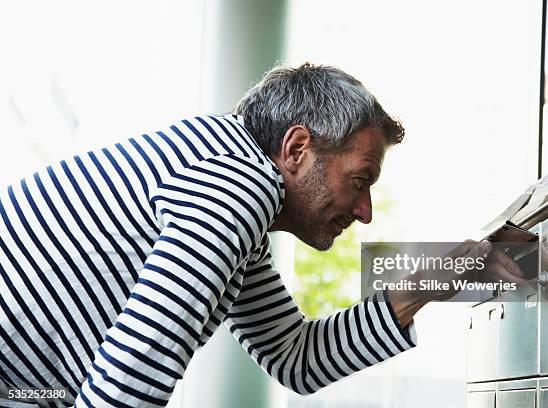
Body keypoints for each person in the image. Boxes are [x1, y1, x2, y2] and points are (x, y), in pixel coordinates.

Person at [0, 63, 518, 407]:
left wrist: (440, 278)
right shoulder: (236, 187)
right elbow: (130, 380)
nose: (364, 211)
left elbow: (296, 357)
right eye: (359, 181)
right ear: (297, 149)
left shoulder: (223, 176)